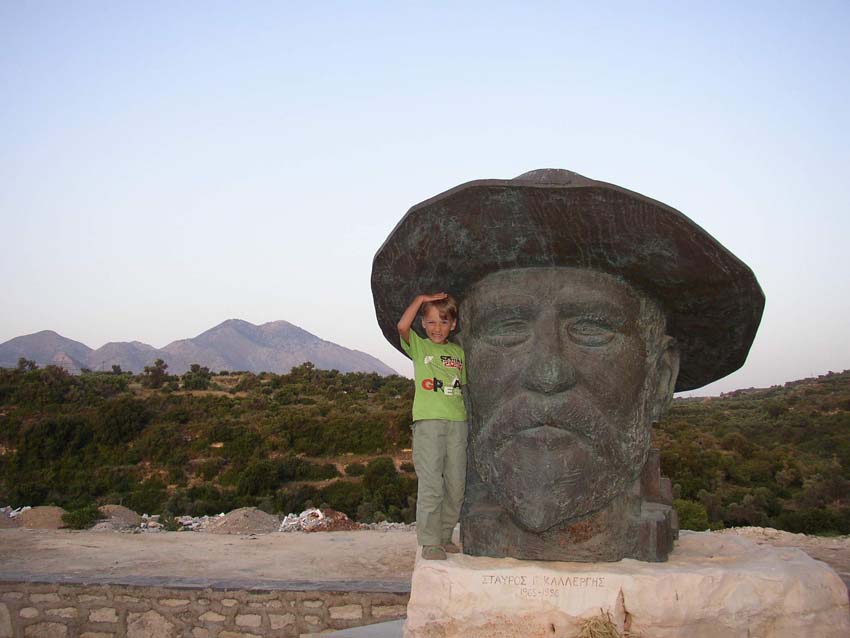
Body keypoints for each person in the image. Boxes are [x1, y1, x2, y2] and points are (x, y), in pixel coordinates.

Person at [372, 168, 764, 562]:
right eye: (508, 328)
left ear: (660, 379)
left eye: (591, 329)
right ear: (466, 361)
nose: (548, 373)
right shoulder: (441, 356)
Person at [397, 293, 467, 560]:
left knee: (456, 485)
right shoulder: (419, 346)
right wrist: (420, 299)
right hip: (428, 423)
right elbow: (402, 326)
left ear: (453, 324)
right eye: (432, 322)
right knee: (431, 485)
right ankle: (429, 542)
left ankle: (444, 536)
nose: (437, 328)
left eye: (444, 322)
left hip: (457, 423)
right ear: (423, 324)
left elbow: (463, 387)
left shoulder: (458, 353)